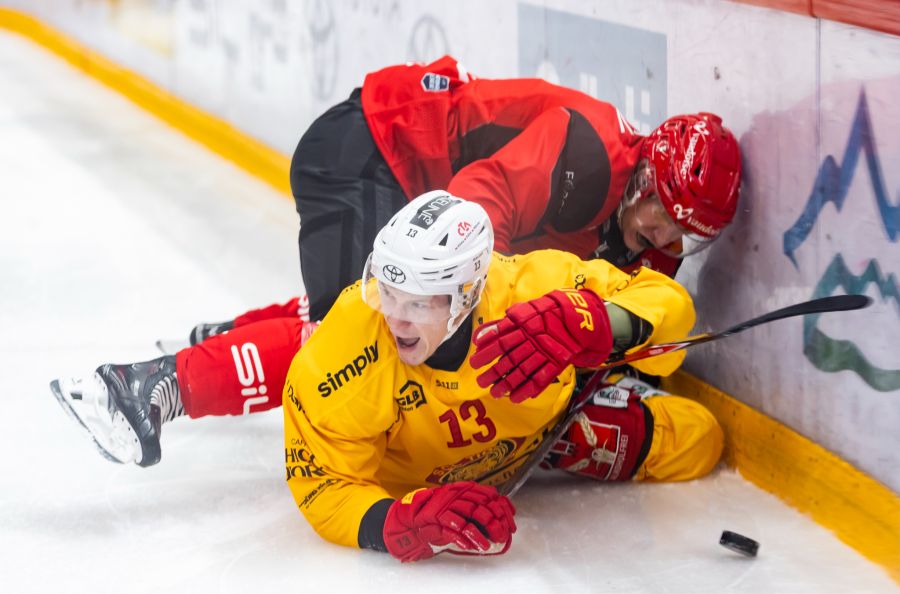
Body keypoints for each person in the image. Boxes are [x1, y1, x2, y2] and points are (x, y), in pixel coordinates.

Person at [50, 55, 741, 469]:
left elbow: (625, 326)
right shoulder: (585, 159)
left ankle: (230, 340)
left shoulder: (645, 229)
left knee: (397, 311)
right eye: (663, 211)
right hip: (368, 153)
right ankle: (147, 387)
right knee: (365, 336)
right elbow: (469, 216)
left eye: (688, 234)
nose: (666, 237)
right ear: (645, 175)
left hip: (403, 174)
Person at [280, 191, 720, 561]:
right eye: (388, 293)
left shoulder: (531, 287)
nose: (395, 319)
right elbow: (323, 484)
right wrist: (400, 521)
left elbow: (671, 310)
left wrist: (597, 323)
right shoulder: (347, 347)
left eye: (418, 303)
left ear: (466, 293)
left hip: (542, 437)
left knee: (696, 439)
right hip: (425, 492)